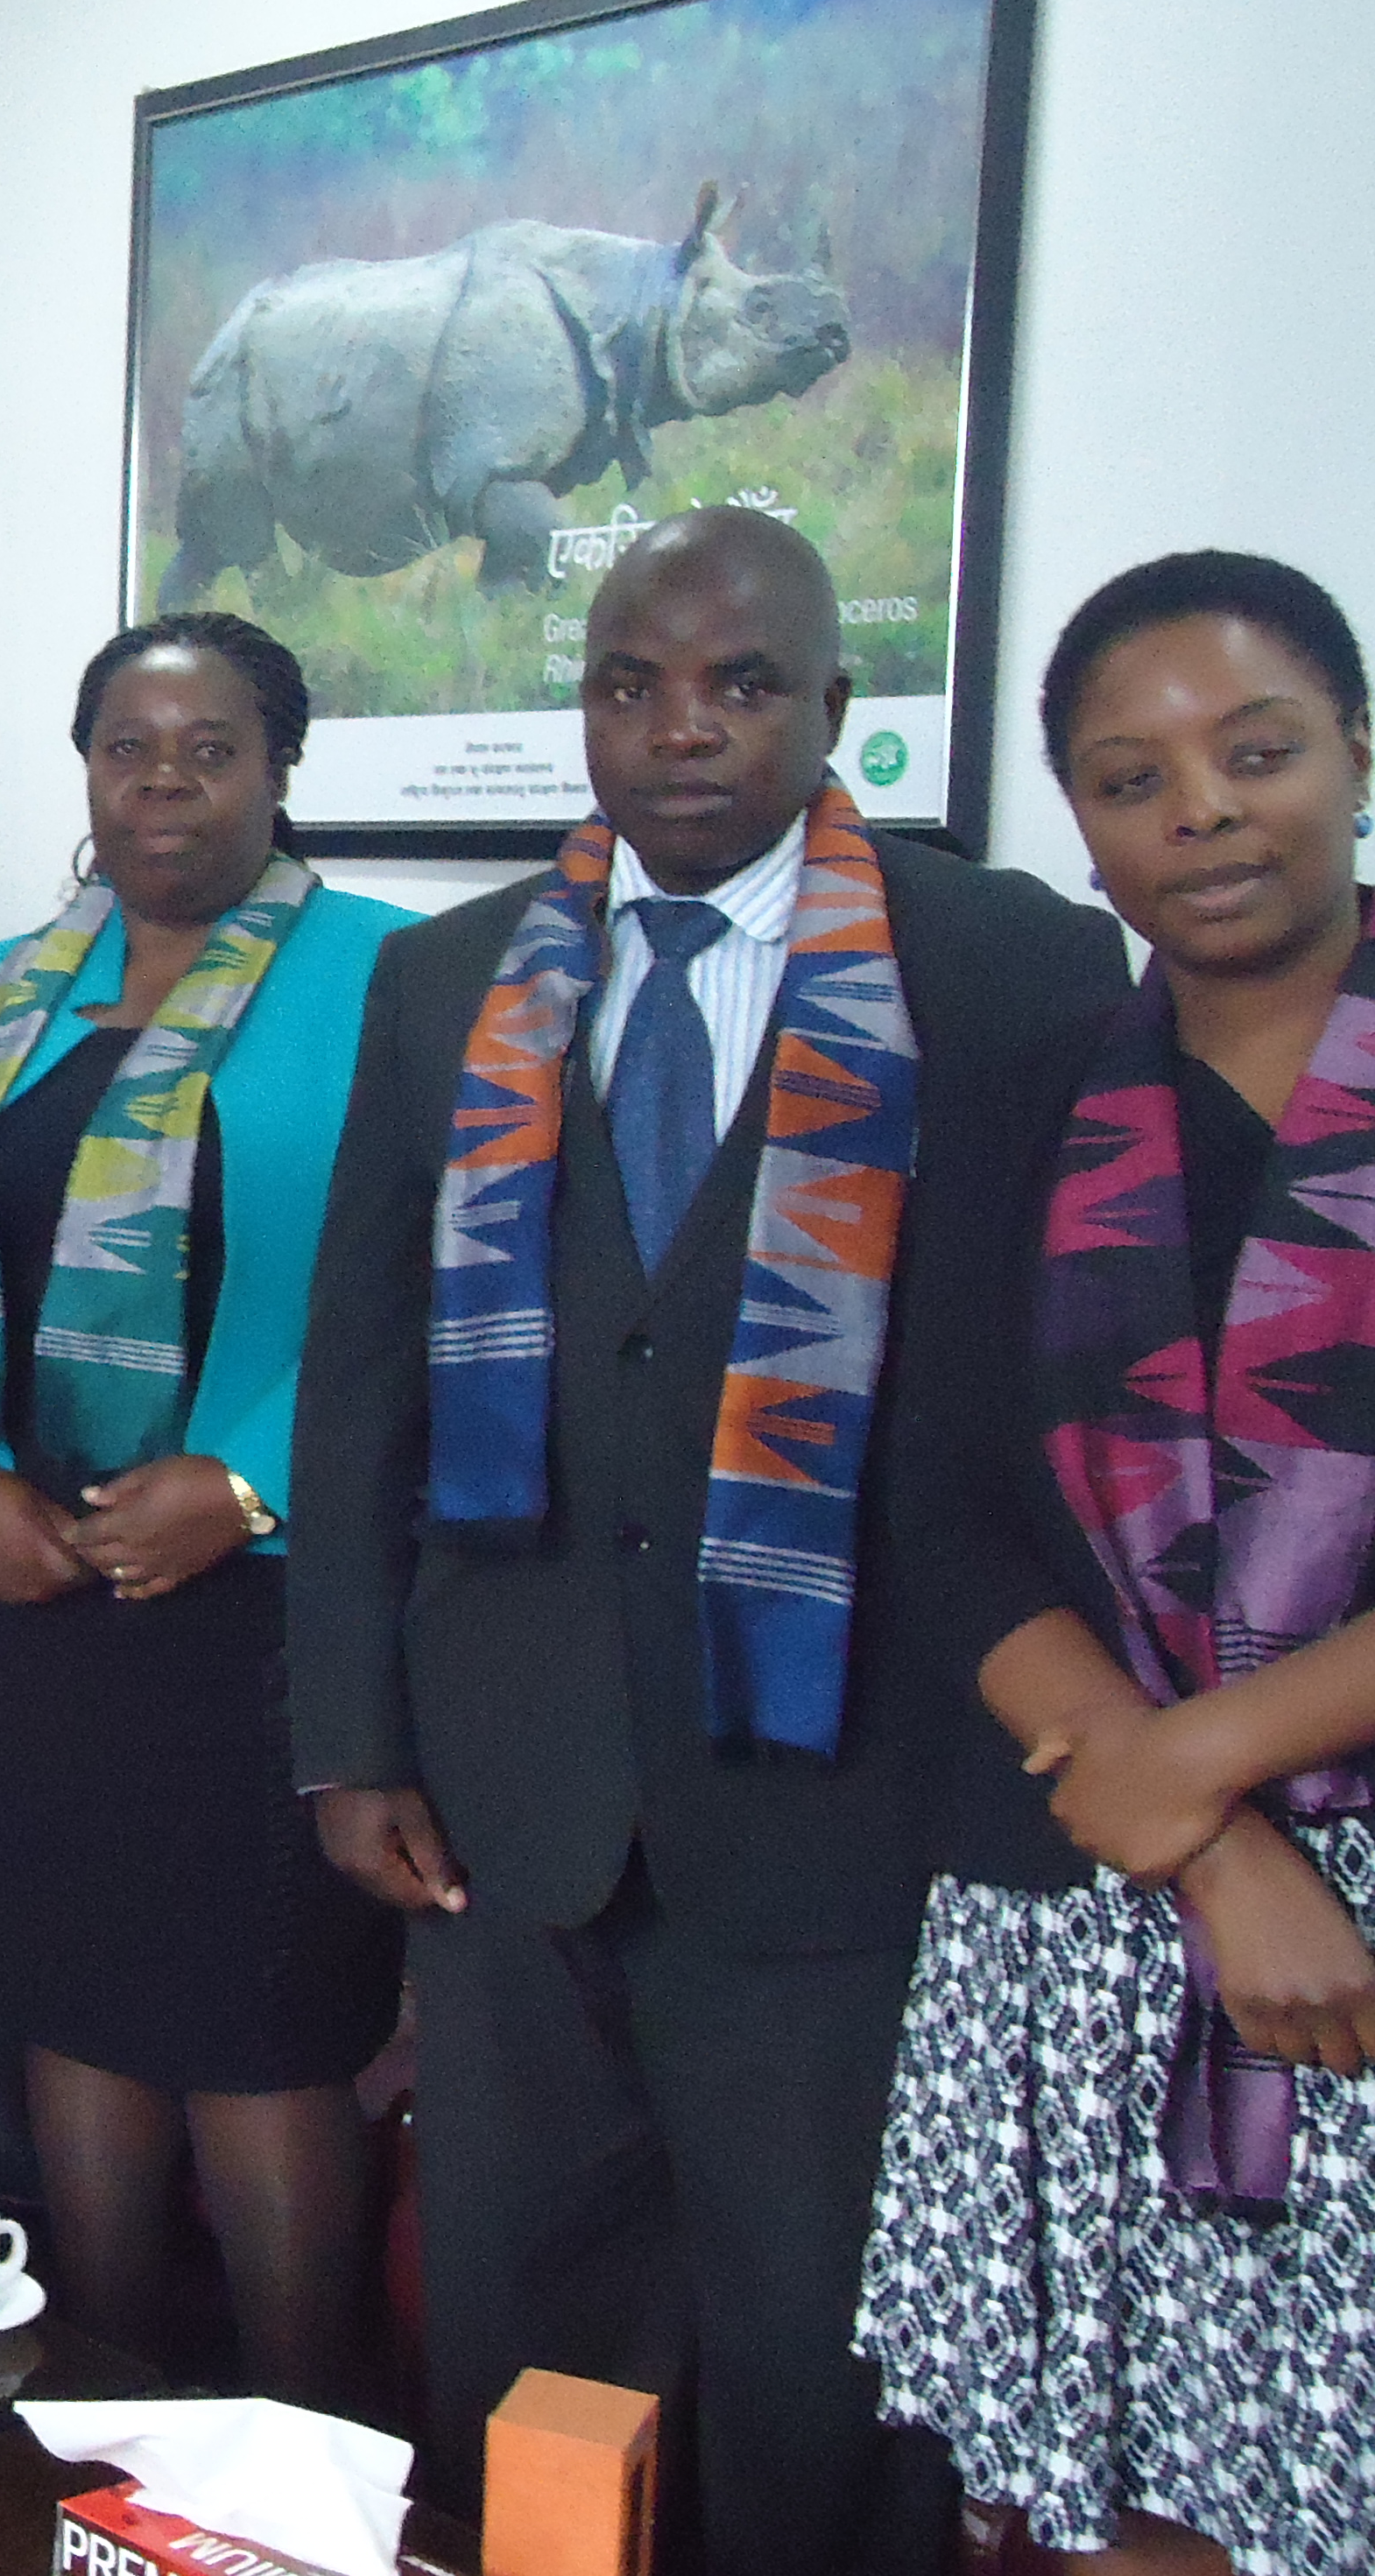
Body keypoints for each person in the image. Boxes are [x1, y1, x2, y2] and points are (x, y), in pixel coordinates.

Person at [286, 505, 1129, 2566]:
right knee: (526, 2345)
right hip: (509, 1801)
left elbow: (1043, 1402)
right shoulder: (446, 982)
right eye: (630, 684)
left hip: (839, 1799)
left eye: (742, 685)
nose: (682, 729)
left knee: (815, 2366)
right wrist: (349, 1739)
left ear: (835, 707)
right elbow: (363, 1383)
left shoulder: (1004, 963)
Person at [860, 552, 1375, 2575]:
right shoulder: (1029, 1097)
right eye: (1134, 779)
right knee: (1096, 2505)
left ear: (1356, 756)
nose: (1205, 813)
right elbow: (938, 1493)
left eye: (1258, 753)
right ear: (1082, 823)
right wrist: (1199, 1836)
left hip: (1320, 1901)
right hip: (1087, 1891)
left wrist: (1210, 1760)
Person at [0, 614, 404, 2404]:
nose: (166, 786)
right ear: (85, 767)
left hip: (263, 1610)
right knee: (74, 2004)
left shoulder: (395, 974)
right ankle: (105, 2435)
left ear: (281, 767)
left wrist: (246, 1479)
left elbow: (434, 1277)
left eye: (211, 750)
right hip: (32, 1591)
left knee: (257, 2036)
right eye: (128, 749)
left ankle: (297, 2468)